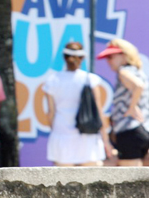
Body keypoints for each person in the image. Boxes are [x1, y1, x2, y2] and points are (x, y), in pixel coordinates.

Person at [43, 42, 111, 166]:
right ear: (82, 59)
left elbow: (51, 113)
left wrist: (54, 131)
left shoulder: (53, 80)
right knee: (91, 182)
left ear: (64, 57)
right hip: (87, 135)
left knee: (62, 182)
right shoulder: (90, 79)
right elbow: (98, 111)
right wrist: (106, 141)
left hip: (61, 133)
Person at [97, 39, 149, 167]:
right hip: (142, 130)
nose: (108, 61)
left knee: (130, 182)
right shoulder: (139, 72)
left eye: (111, 56)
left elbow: (138, 86)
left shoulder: (123, 71)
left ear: (124, 55)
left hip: (129, 131)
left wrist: (132, 107)